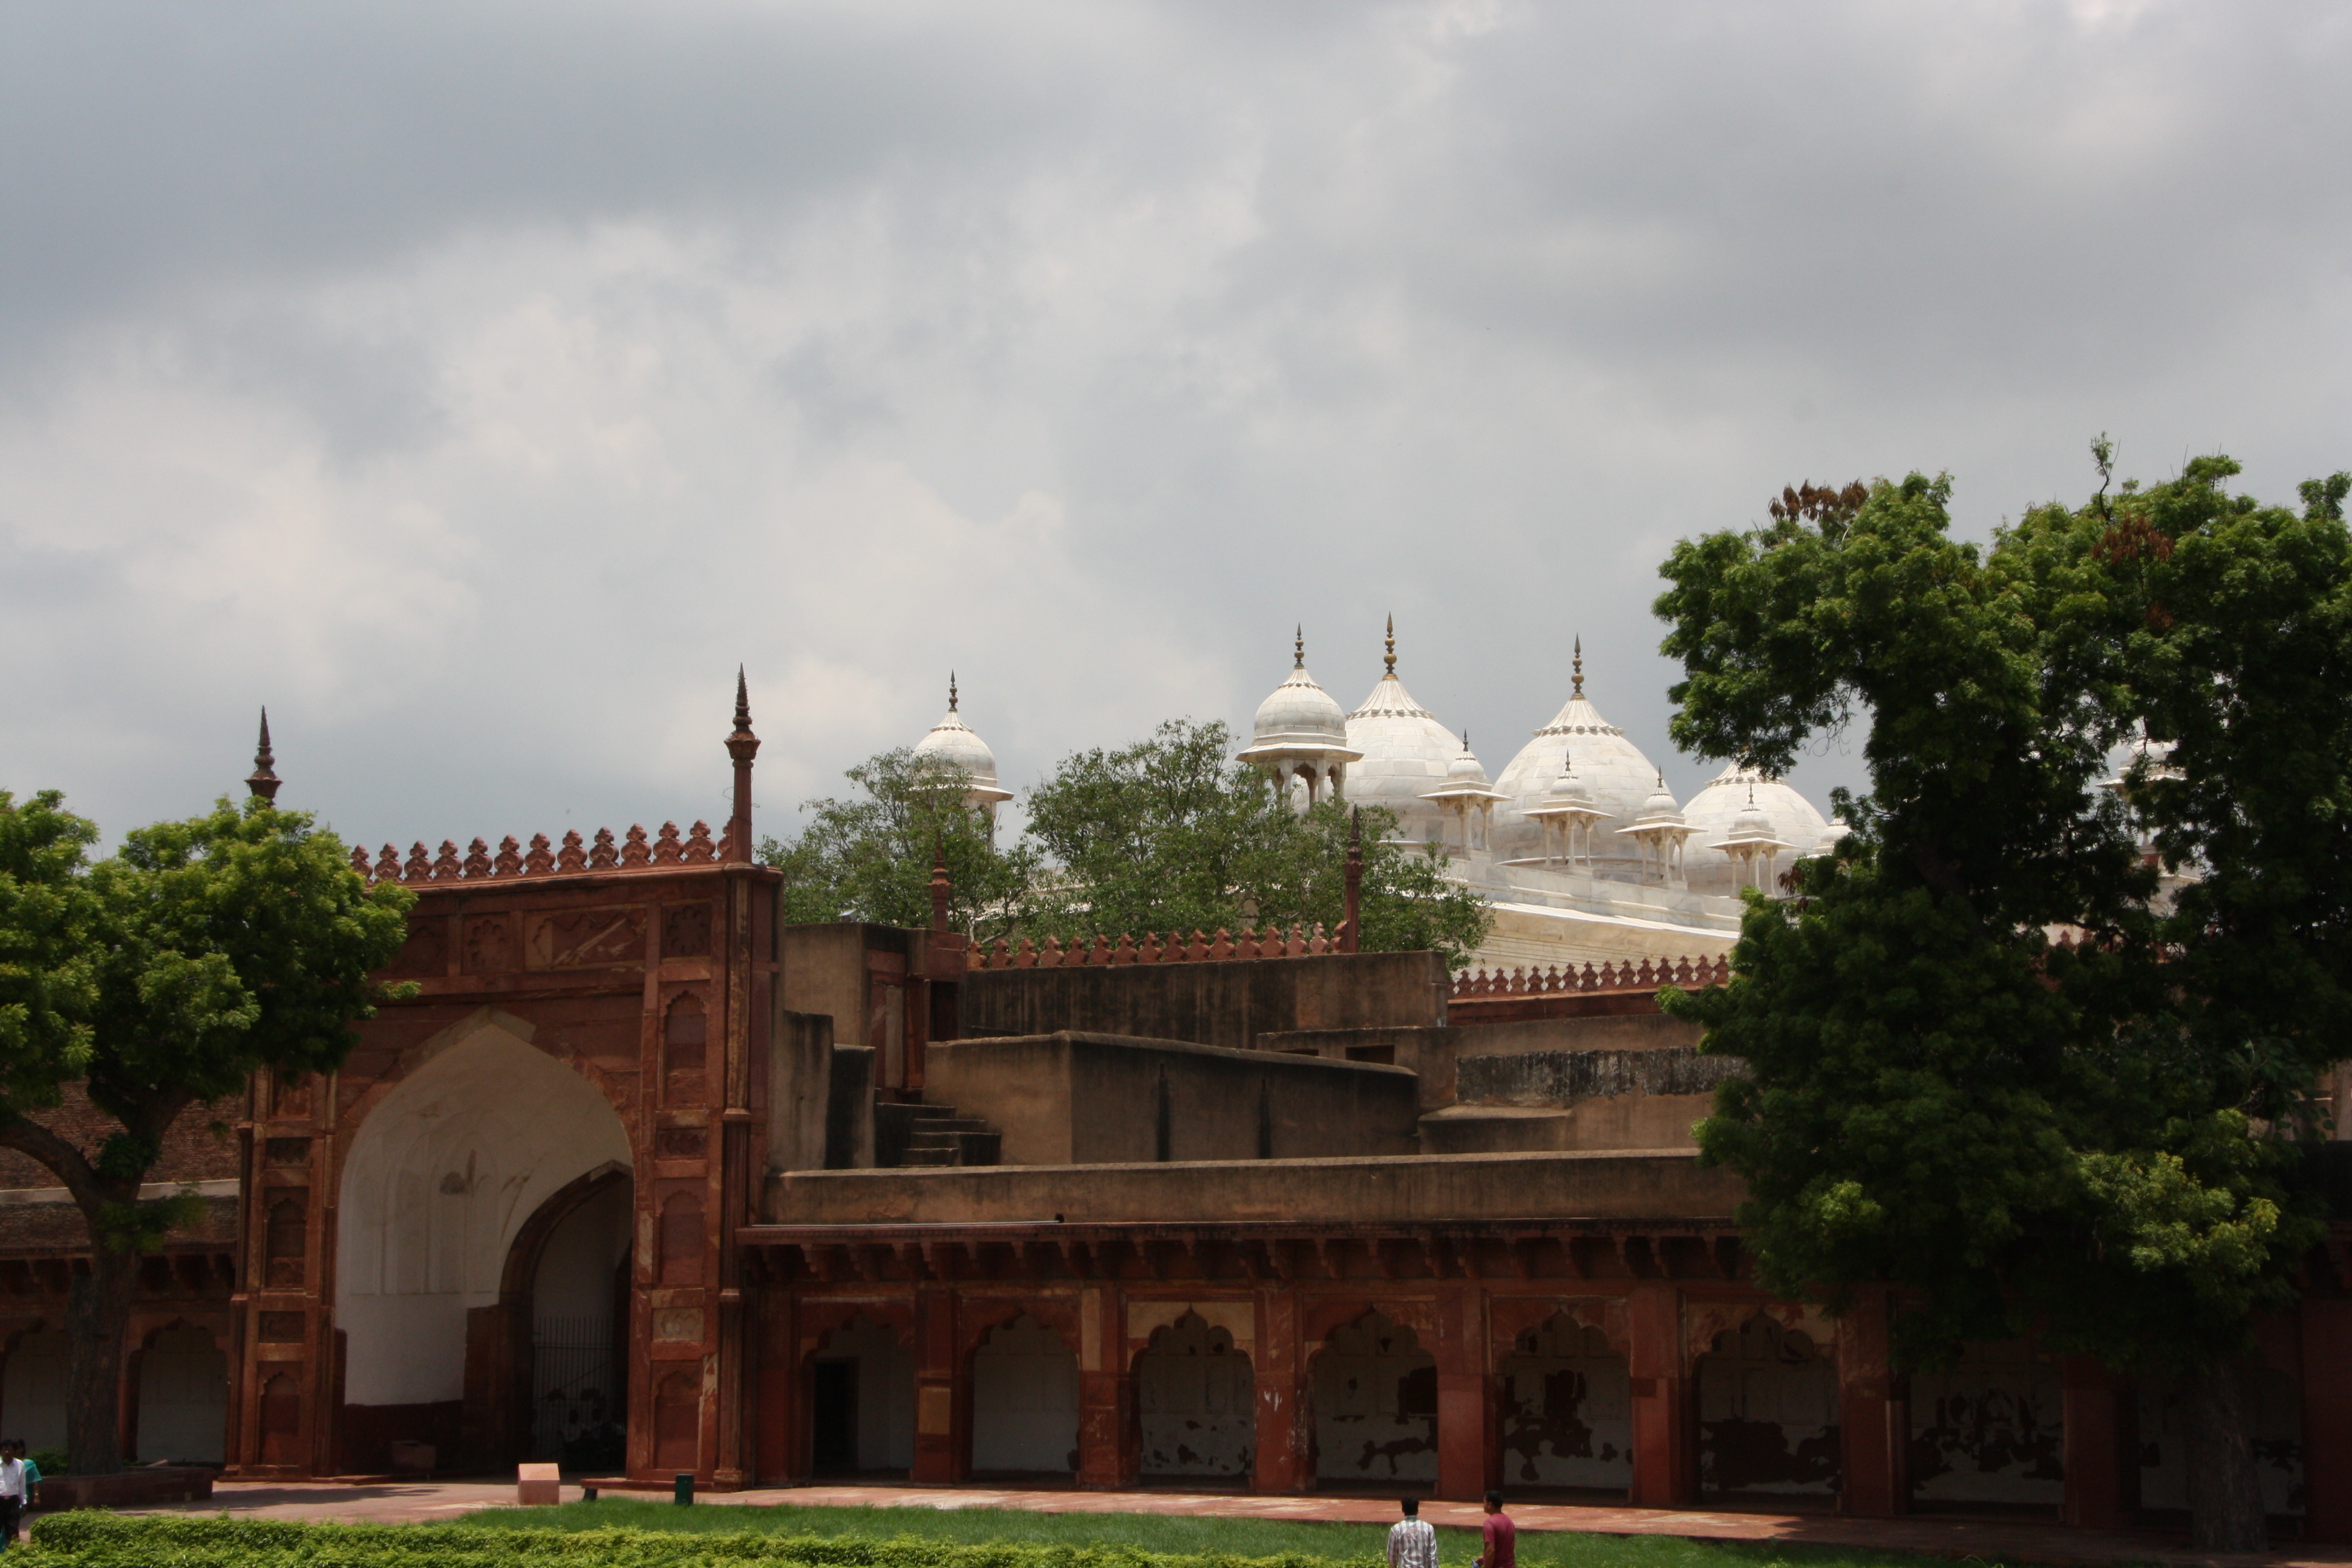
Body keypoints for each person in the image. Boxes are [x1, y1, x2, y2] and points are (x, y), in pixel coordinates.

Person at [1386, 1496, 1437, 1568]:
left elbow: (1392, 1556)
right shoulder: (1428, 1528)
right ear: (1417, 1510)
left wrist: (1394, 1566)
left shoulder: (1396, 1529)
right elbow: (1432, 1555)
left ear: (1403, 1510)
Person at [1474, 1490, 1515, 1568]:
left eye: (1484, 1502)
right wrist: (1484, 1559)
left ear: (1490, 1505)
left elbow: (1491, 1550)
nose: (1483, 1505)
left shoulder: (1489, 1523)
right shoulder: (1509, 1521)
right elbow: (1504, 1548)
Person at [0, 1440, 24, 1547]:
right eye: (4, 1450)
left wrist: (24, 1502)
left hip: (13, 1502)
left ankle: (12, 1553)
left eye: (10, 1450)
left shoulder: (20, 1465)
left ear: (14, 1452)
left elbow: (22, 1484)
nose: (7, 1452)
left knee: (13, 1531)